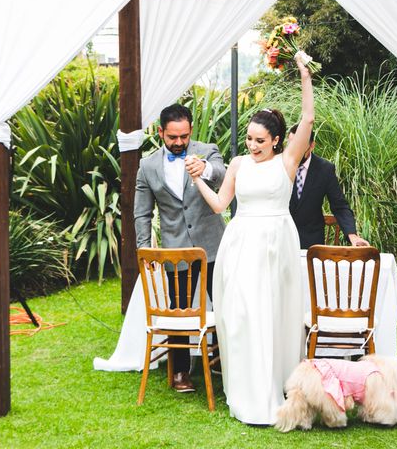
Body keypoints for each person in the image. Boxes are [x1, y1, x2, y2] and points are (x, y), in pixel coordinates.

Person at [185, 52, 314, 425]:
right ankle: (246, 389)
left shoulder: (287, 161)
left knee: (274, 314)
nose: (253, 145)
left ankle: (277, 386)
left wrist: (303, 71)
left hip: (276, 244)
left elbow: (307, 118)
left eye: (260, 140)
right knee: (242, 315)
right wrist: (197, 180)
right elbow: (220, 205)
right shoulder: (239, 164)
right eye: (249, 139)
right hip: (241, 245)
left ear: (276, 140)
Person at [133, 103, 226, 393]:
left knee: (223, 305)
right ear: (161, 132)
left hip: (213, 246)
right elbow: (142, 213)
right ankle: (181, 372)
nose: (179, 143)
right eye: (173, 137)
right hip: (176, 252)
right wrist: (144, 250)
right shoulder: (147, 166)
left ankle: (224, 361)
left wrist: (206, 169)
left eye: (184, 136)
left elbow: (223, 174)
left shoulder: (207, 150)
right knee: (180, 310)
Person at [288, 126, 369, 249]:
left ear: (312, 146)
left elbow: (340, 206)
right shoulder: (278, 165)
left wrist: (353, 236)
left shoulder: (325, 169)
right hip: (281, 240)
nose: (294, 149)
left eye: (299, 145)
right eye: (291, 144)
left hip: (312, 244)